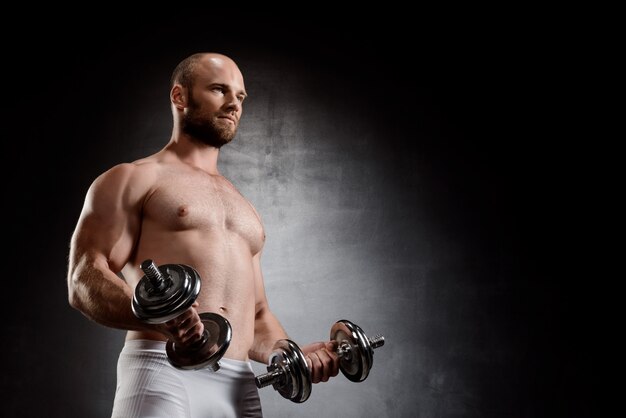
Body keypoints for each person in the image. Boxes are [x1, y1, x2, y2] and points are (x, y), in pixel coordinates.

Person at [66, 52, 340, 417]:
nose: (234, 104)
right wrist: (162, 322)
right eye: (218, 90)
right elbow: (84, 278)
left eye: (240, 96)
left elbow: (257, 315)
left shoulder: (244, 208)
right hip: (162, 369)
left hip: (238, 385)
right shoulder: (134, 178)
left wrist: (288, 352)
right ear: (179, 97)